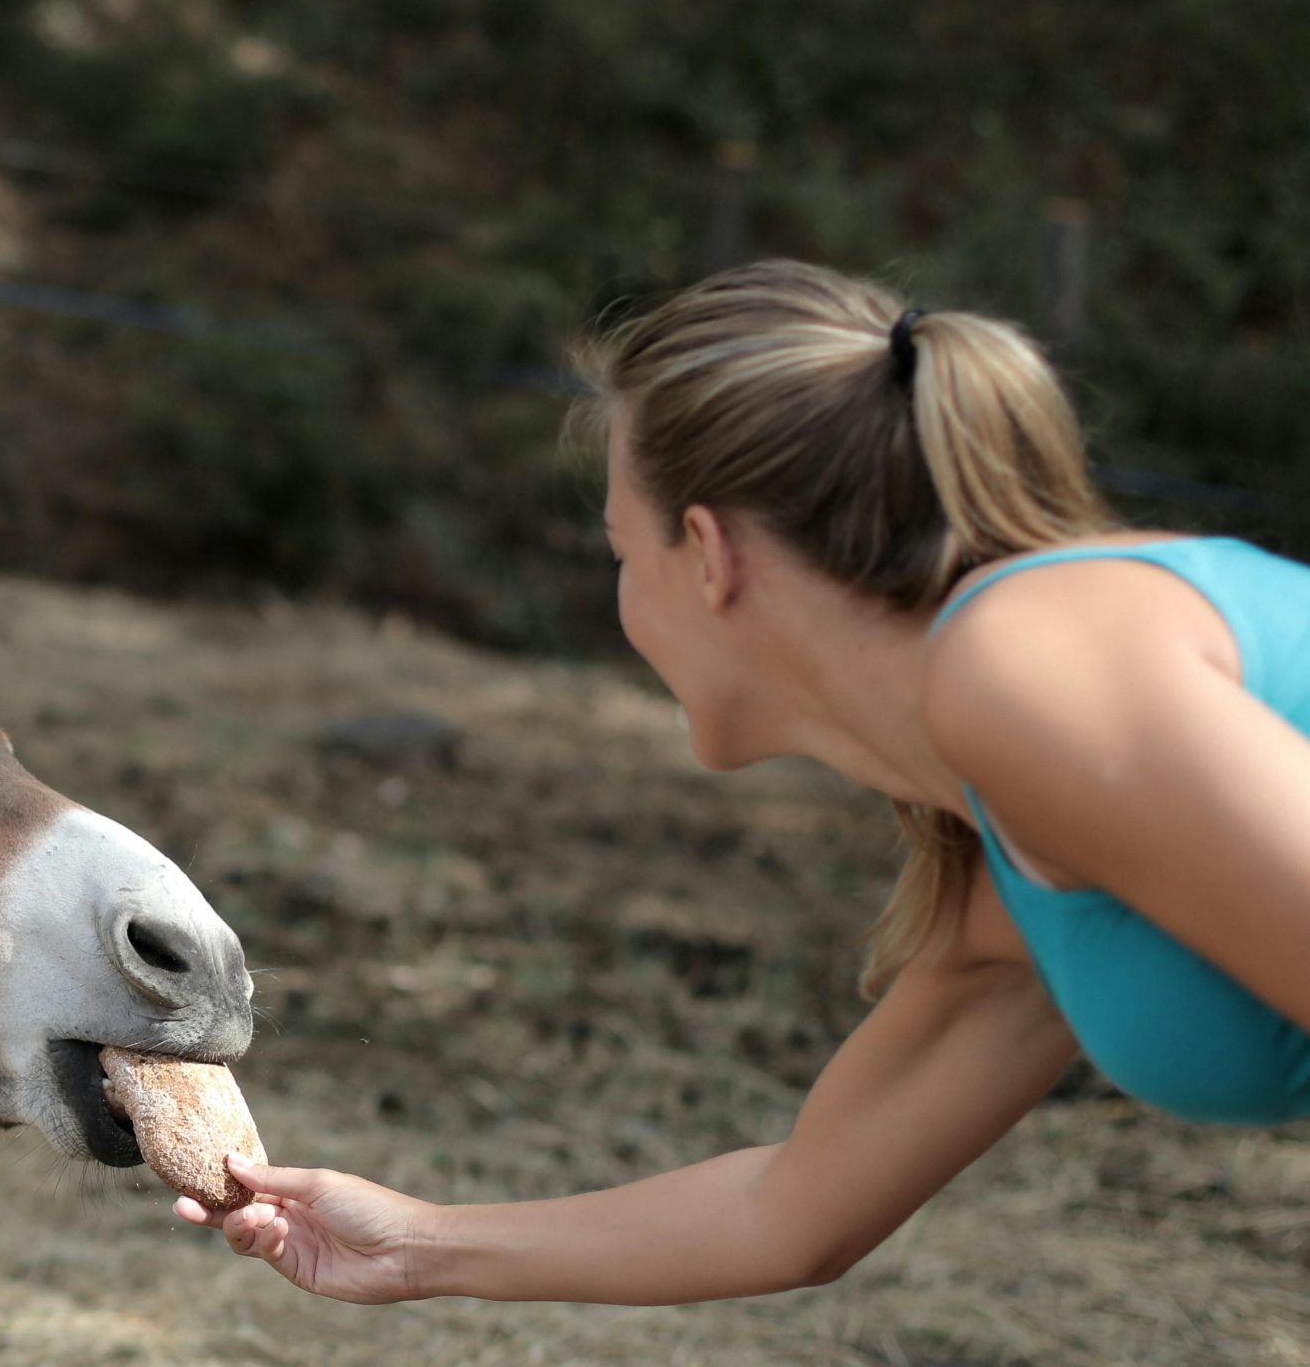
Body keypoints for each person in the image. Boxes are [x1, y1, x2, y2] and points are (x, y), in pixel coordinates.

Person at [187, 259, 1310, 1304]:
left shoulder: (1026, 676)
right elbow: (789, 1211)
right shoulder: (1008, 858)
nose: (623, 606)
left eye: (623, 556)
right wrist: (420, 1242)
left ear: (710, 556)